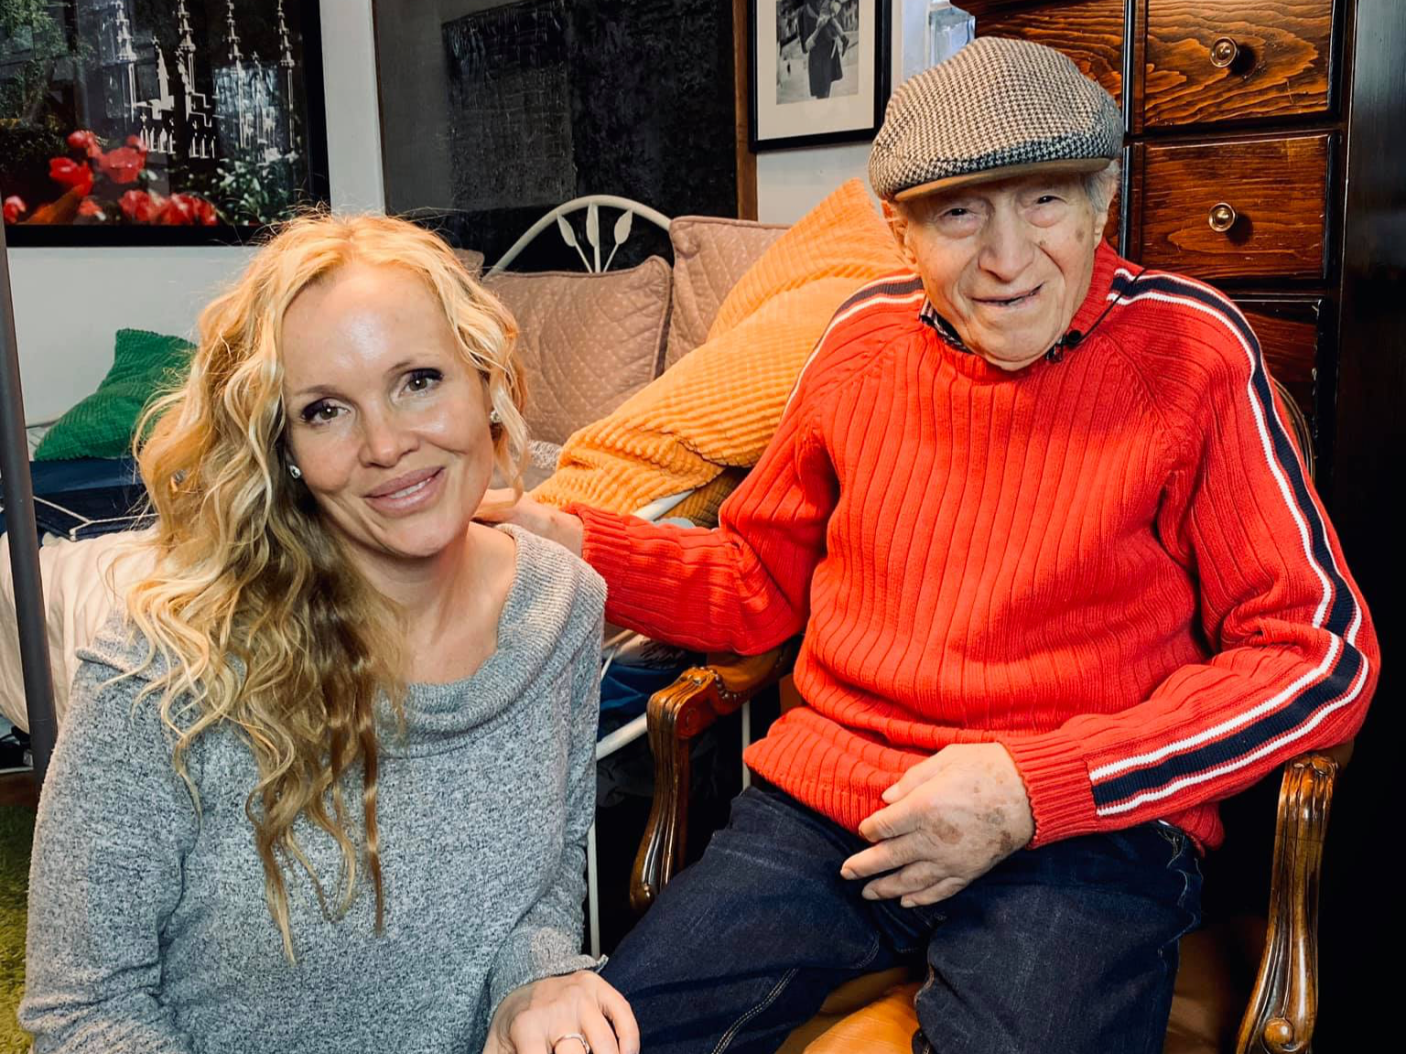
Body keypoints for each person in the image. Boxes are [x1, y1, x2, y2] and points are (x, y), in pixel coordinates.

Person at [481, 38, 1378, 1053]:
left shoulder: (1192, 352)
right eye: (957, 212)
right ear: (901, 234)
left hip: (1083, 834)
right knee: (611, 1035)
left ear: (1099, 202)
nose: (1004, 259)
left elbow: (1317, 655)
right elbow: (754, 586)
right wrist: (565, 537)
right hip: (824, 814)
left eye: (1042, 201)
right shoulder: (858, 342)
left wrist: (1036, 788)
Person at [20, 214, 638, 1054]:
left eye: (419, 380)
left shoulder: (560, 606)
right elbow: (80, 1013)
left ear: (484, 382)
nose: (386, 445)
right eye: (325, 410)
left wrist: (535, 978)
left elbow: (551, 871)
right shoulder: (163, 667)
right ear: (284, 453)